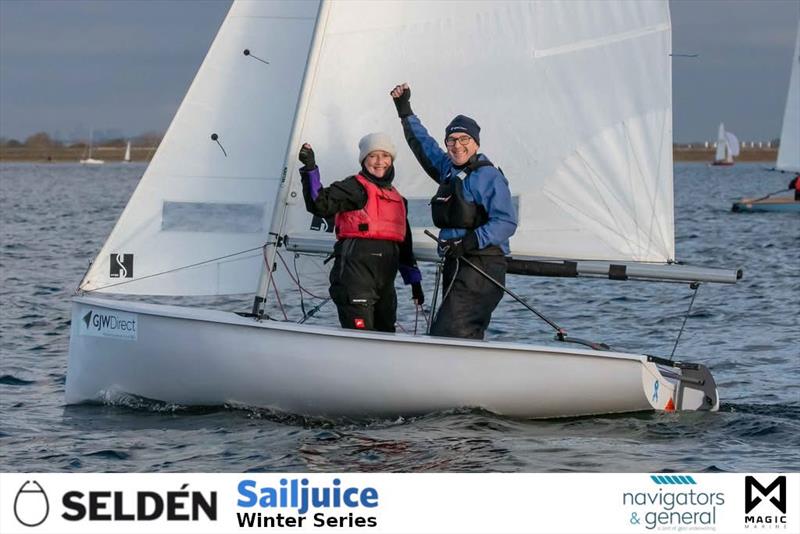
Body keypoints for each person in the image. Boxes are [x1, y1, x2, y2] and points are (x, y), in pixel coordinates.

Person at [390, 83, 517, 340]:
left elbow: (506, 221)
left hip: (482, 268)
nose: (457, 145)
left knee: (448, 334)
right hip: (457, 264)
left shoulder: (488, 176)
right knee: (460, 337)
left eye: (464, 139)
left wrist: (468, 242)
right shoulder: (448, 170)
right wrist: (405, 112)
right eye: (452, 140)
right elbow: (424, 145)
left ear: (476, 143)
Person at [298, 133, 424, 332]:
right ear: (364, 160)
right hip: (354, 282)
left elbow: (405, 245)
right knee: (361, 338)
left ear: (391, 160)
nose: (379, 161)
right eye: (373, 156)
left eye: (385, 155)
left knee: (386, 337)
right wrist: (310, 168)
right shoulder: (354, 187)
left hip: (384, 287)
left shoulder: (398, 199)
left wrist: (415, 284)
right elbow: (319, 204)